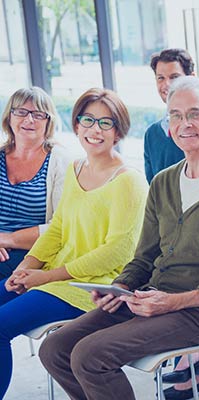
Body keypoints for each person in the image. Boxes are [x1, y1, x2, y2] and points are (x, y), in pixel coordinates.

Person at [38, 77, 199, 400]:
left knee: (90, 355)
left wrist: (174, 301)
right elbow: (144, 256)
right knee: (55, 348)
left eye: (195, 114)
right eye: (175, 115)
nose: (185, 123)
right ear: (168, 126)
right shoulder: (164, 182)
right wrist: (121, 287)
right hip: (150, 299)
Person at [0, 88, 147, 398]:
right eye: (88, 120)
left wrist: (45, 276)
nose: (95, 130)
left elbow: (116, 252)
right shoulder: (76, 169)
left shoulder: (128, 180)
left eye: (105, 123)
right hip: (57, 276)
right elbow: (58, 229)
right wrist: (27, 266)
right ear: (76, 125)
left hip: (92, 287)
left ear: (118, 131)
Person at [0, 87, 71, 278]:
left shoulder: (61, 162)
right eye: (21, 112)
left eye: (38, 114)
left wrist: (6, 239)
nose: (29, 120)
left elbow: (63, 226)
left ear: (48, 122)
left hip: (32, 254)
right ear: (9, 117)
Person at [144, 48, 199, 182]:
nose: (166, 84)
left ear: (191, 78)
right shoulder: (152, 134)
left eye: (174, 77)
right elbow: (153, 187)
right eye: (160, 78)